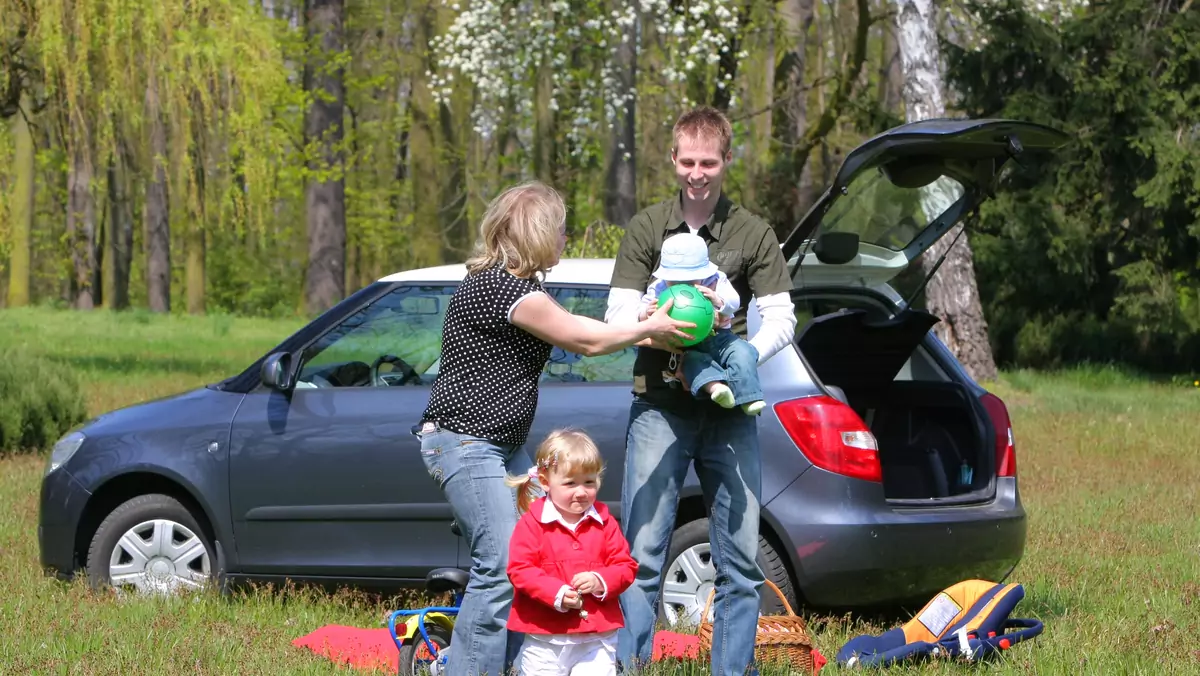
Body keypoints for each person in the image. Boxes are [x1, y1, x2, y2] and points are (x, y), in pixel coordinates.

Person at [416, 181, 695, 676]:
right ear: (538, 232)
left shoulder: (525, 289)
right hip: (465, 443)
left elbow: (580, 323)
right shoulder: (498, 287)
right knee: (502, 565)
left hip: (501, 446)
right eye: (561, 229)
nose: (565, 238)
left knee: (539, 554)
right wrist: (648, 330)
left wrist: (640, 319)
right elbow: (583, 340)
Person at [604, 106, 798, 675]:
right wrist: (652, 319)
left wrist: (738, 356)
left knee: (739, 563)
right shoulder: (646, 228)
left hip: (729, 409)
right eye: (687, 161)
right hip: (659, 406)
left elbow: (783, 320)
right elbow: (617, 314)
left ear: (726, 160)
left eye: (708, 162)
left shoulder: (752, 232)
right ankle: (627, 667)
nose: (697, 173)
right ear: (673, 160)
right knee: (640, 555)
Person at [504, 428, 638, 676]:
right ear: (545, 482)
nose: (581, 492)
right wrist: (555, 592)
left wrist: (600, 580)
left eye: (589, 482)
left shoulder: (605, 521)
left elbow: (625, 566)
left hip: (596, 637)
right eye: (570, 483)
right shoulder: (533, 523)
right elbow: (520, 569)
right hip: (544, 635)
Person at [638, 231, 766, 416]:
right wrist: (645, 313)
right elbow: (641, 311)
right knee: (692, 363)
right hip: (687, 341)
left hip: (720, 337)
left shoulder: (716, 279)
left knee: (742, 352)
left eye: (690, 280)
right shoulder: (658, 287)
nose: (683, 284)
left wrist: (718, 299)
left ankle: (749, 397)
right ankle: (715, 388)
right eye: (674, 280)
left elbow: (734, 301)